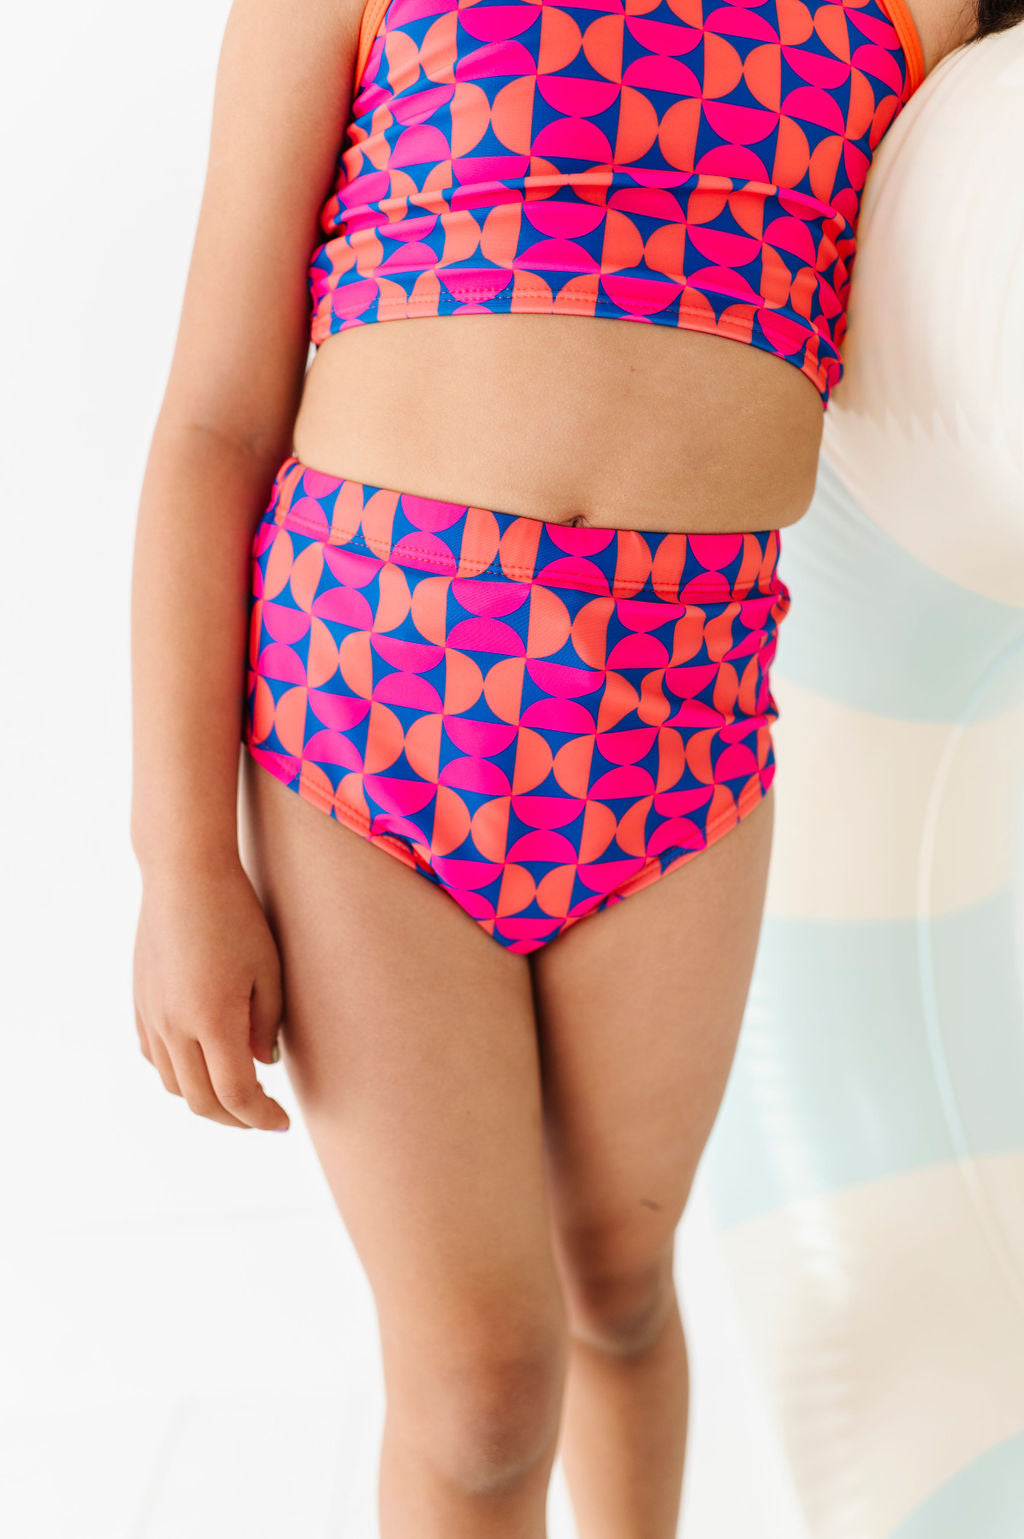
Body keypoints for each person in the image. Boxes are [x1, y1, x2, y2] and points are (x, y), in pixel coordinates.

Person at [129, 0, 1022, 1533]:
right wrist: (182, 864)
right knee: (479, 1394)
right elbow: (215, 421)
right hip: (367, 733)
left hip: (681, 740)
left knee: (618, 1286)